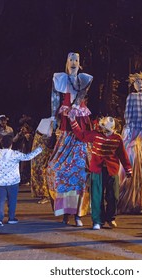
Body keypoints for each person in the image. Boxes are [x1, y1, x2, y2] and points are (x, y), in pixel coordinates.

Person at [46, 52, 93, 226]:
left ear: (79, 64)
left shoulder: (83, 79)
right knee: (59, 171)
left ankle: (78, 214)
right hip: (66, 129)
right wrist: (53, 118)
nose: (73, 63)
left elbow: (81, 95)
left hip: (79, 128)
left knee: (80, 174)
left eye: (76, 60)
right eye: (71, 60)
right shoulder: (60, 79)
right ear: (66, 63)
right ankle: (65, 212)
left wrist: (73, 109)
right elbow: (54, 98)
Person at [70, 116, 132, 230]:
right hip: (97, 170)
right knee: (97, 196)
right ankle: (97, 220)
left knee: (114, 196)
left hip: (112, 170)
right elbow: (81, 135)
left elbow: (122, 155)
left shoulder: (117, 138)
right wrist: (72, 120)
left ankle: (110, 217)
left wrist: (128, 168)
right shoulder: (96, 135)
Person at [118, 72, 142, 214]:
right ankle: (125, 199)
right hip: (133, 133)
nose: (139, 84)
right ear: (133, 84)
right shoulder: (131, 97)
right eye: (136, 82)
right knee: (130, 164)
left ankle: (135, 201)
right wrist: (129, 132)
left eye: (141, 82)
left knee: (141, 168)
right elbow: (128, 115)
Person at [0, 135, 42, 227]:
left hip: (0, 182)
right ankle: (11, 218)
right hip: (13, 181)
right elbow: (28, 157)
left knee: (0, 200)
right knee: (12, 200)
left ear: (1, 144)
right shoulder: (15, 154)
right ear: (11, 144)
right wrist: (39, 149)